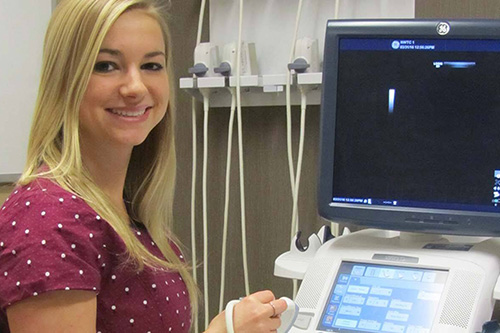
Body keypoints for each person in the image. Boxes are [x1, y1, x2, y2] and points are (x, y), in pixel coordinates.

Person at [0, 0, 287, 331]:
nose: (135, 87)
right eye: (107, 66)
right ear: (64, 80)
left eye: (152, 66)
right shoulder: (48, 221)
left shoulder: (128, 210)